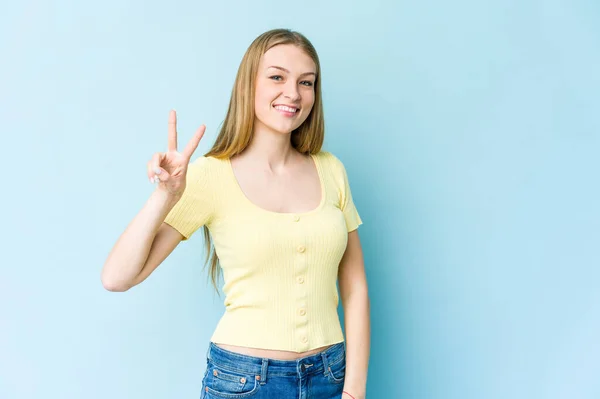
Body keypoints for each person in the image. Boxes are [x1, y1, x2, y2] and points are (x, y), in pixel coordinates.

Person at [101, 28, 370, 399]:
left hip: (330, 376)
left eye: (306, 82)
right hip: (244, 382)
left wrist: (354, 390)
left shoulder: (331, 170)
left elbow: (355, 287)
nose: (293, 93)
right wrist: (165, 195)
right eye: (277, 77)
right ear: (249, 85)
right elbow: (117, 277)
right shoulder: (211, 175)